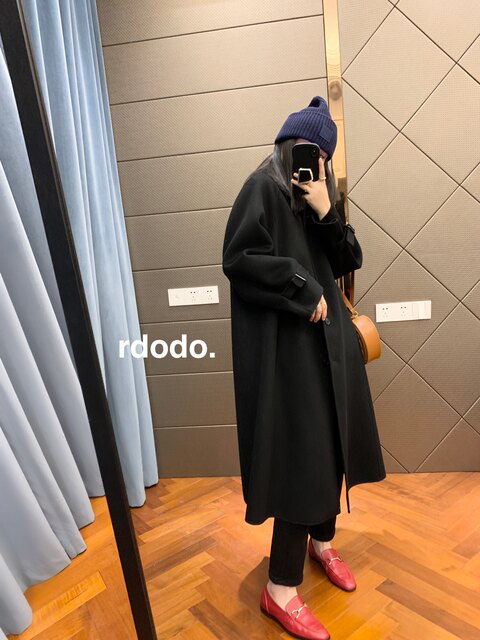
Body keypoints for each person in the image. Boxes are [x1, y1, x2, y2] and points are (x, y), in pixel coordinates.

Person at [222, 96, 387, 640]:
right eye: (306, 151)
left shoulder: (317, 196)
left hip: (332, 352)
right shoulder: (262, 189)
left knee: (334, 449)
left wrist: (325, 211)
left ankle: (323, 542)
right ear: (287, 146)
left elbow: (349, 260)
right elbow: (240, 259)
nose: (312, 163)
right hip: (291, 356)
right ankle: (280, 589)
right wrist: (300, 285)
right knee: (304, 461)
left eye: (322, 157)